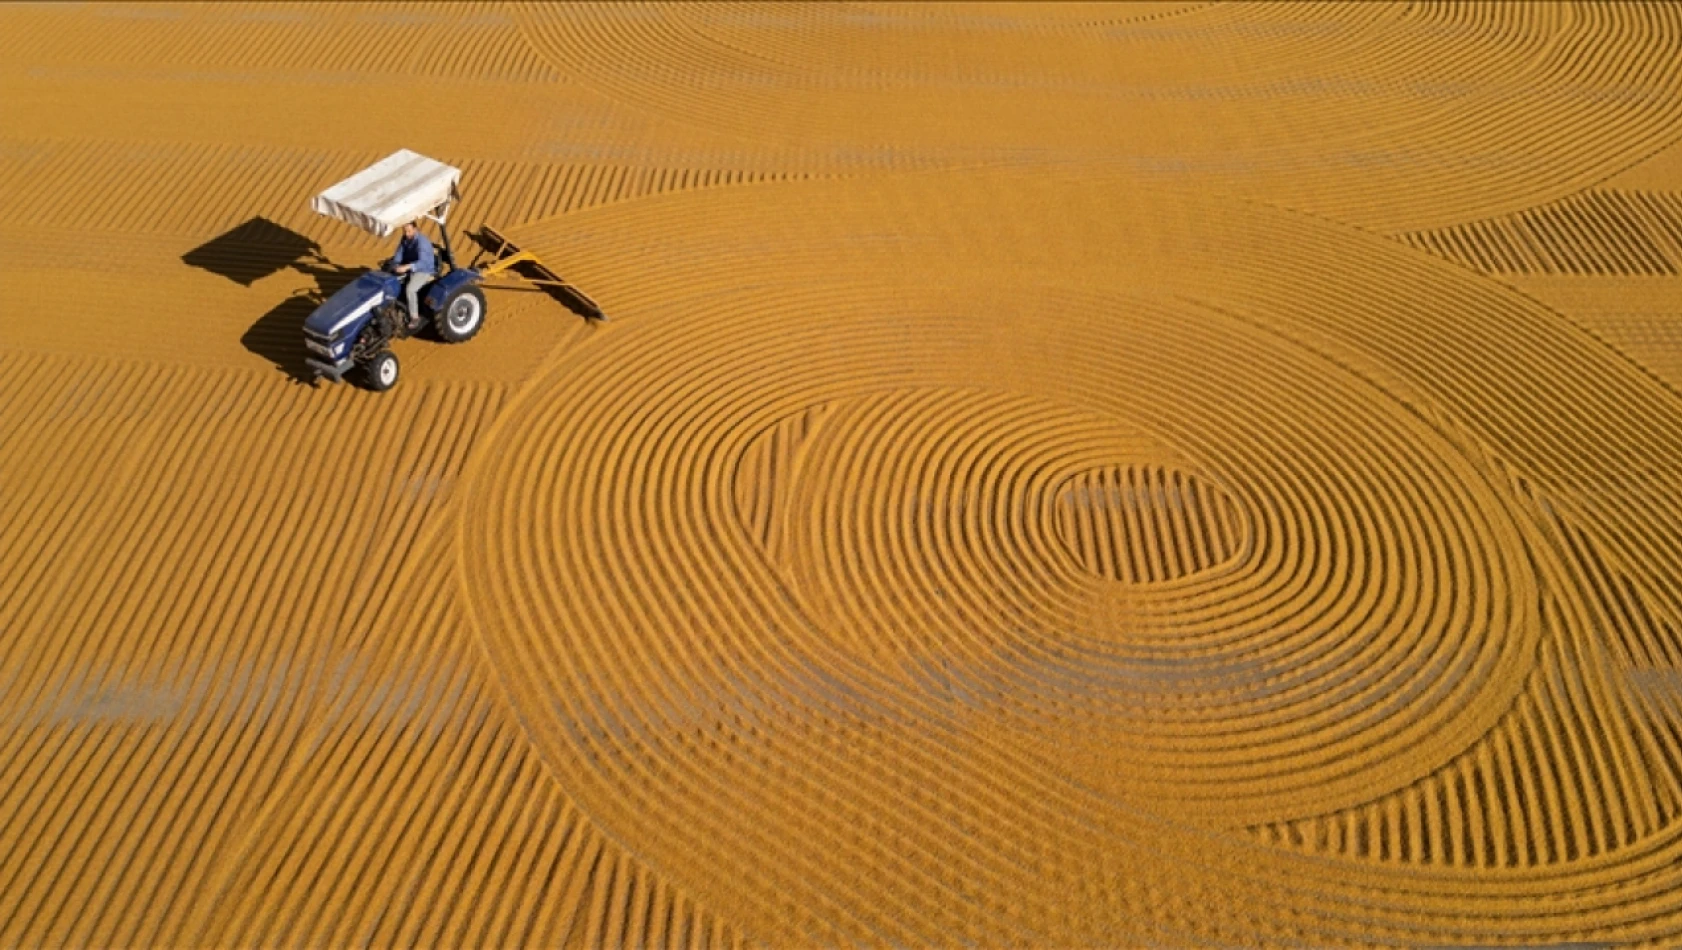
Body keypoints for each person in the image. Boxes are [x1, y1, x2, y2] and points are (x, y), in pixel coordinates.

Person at [388, 221, 435, 329]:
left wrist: (406, 267)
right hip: (409, 265)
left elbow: (423, 262)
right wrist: (395, 265)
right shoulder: (405, 239)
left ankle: (414, 317)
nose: (407, 234)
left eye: (409, 231)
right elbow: (398, 255)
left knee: (410, 289)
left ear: (415, 229)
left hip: (424, 269)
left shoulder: (421, 242)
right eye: (405, 231)